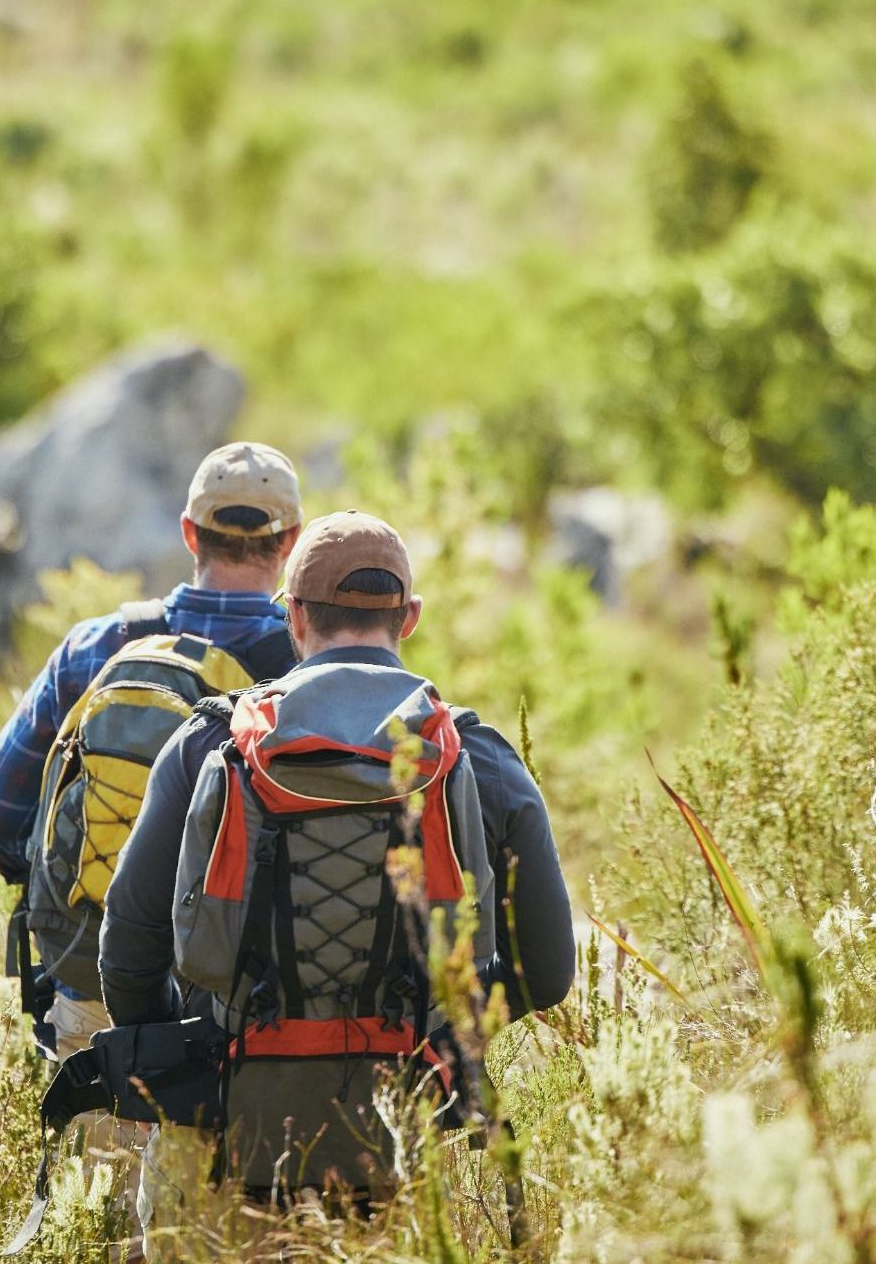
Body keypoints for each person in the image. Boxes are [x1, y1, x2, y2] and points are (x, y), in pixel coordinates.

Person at [100, 510, 575, 1254]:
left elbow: (127, 944)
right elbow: (547, 972)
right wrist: (433, 1043)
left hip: (223, 1128)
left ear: (293, 615)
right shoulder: (473, 753)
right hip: (398, 1133)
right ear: (408, 617)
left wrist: (196, 1060)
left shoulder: (210, 741)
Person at [0, 441, 303, 1060]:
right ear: (290, 543)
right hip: (252, 1009)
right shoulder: (304, 669)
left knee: (99, 1159)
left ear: (189, 533)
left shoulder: (95, 648)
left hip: (94, 993)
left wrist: (73, 896)